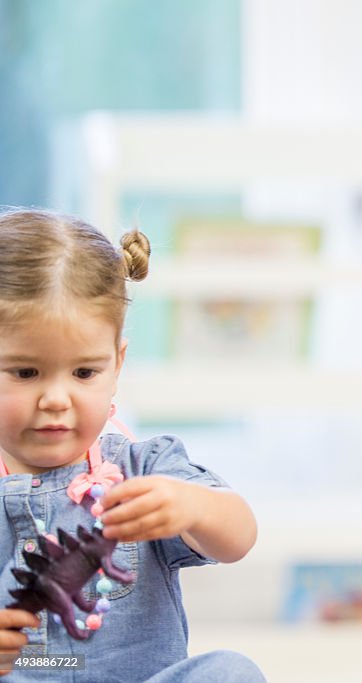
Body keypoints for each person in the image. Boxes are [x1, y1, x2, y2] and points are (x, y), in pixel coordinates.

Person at [0, 209, 263, 682]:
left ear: (117, 364)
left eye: (84, 373)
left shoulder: (145, 470)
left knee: (230, 671)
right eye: (25, 372)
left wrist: (193, 506)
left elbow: (239, 536)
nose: (56, 399)